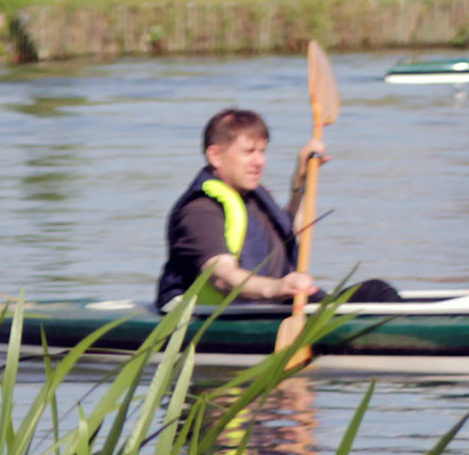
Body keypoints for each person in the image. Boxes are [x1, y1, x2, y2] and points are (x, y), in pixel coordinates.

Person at [160, 108, 403, 309]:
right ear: (215, 155)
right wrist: (277, 287)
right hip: (230, 317)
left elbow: (291, 238)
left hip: (274, 306)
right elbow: (222, 277)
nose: (260, 161)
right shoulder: (200, 210)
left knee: (376, 290)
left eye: (262, 151)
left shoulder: (253, 197)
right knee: (378, 292)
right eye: (249, 152)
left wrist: (302, 182)